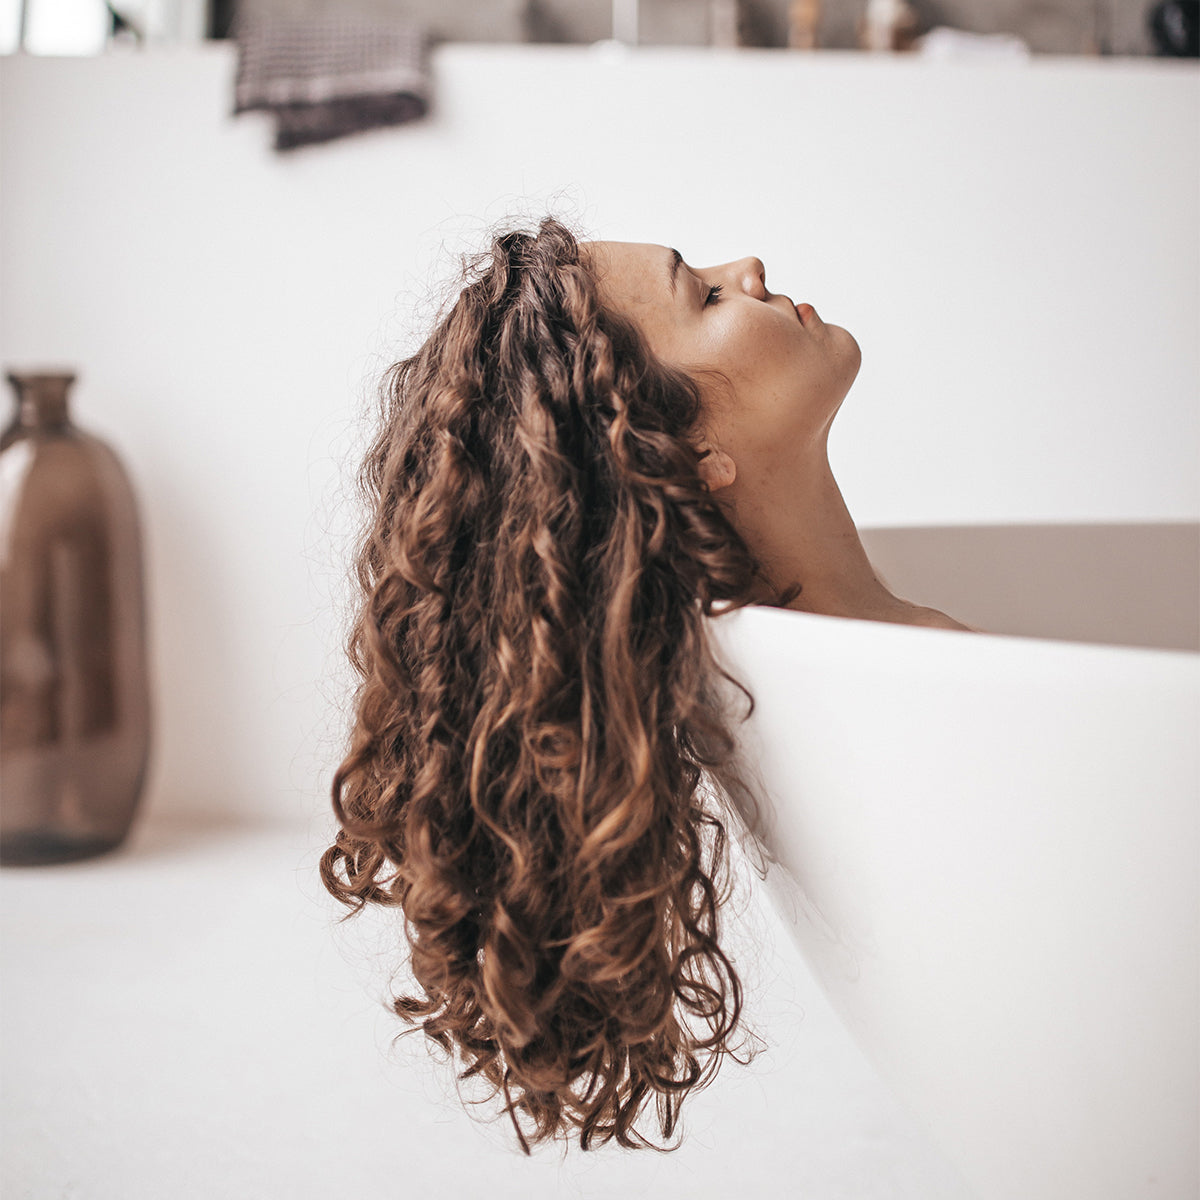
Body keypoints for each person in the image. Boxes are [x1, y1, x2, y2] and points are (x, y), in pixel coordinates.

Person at [318, 216, 968, 1157]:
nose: (746, 267)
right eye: (704, 296)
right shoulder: (913, 687)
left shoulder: (878, 656)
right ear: (691, 455)